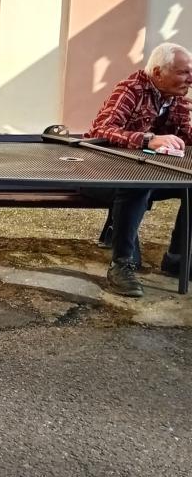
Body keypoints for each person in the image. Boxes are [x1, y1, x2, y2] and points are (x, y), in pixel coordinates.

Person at [85, 43, 192, 298]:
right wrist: (147, 139)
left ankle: (178, 258)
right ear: (158, 73)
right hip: (97, 175)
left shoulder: (177, 99)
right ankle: (121, 265)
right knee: (137, 183)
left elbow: (185, 140)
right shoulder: (130, 89)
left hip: (145, 174)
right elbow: (101, 129)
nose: (190, 79)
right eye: (183, 72)